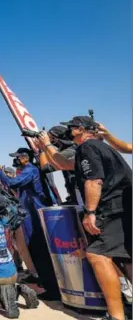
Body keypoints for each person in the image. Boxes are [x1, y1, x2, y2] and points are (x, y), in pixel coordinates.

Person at [61, 115, 132, 320]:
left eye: (72, 127)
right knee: (125, 257)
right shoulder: (105, 148)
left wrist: (90, 213)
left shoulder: (87, 147)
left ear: (80, 129)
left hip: (111, 207)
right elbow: (61, 163)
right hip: (124, 206)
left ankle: (117, 316)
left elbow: (94, 180)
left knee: (97, 255)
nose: (69, 131)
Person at [0, 149, 61, 301]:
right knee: (36, 251)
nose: (15, 160)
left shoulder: (30, 170)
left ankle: (53, 290)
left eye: (17, 158)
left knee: (40, 251)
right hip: (30, 215)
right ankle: (47, 285)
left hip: (35, 216)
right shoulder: (29, 170)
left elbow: (11, 182)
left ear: (25, 158)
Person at [35, 126, 79, 204]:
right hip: (73, 192)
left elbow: (46, 168)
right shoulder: (69, 149)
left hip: (78, 194)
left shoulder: (69, 152)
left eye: (50, 137)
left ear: (57, 139)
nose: (48, 139)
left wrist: (43, 148)